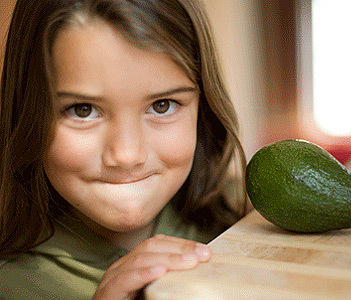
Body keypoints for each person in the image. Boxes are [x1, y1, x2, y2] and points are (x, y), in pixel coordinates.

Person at [0, 0, 247, 299]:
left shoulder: (243, 216)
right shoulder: (10, 284)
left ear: (203, 109)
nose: (127, 155)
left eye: (162, 105)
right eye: (82, 110)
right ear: (27, 115)